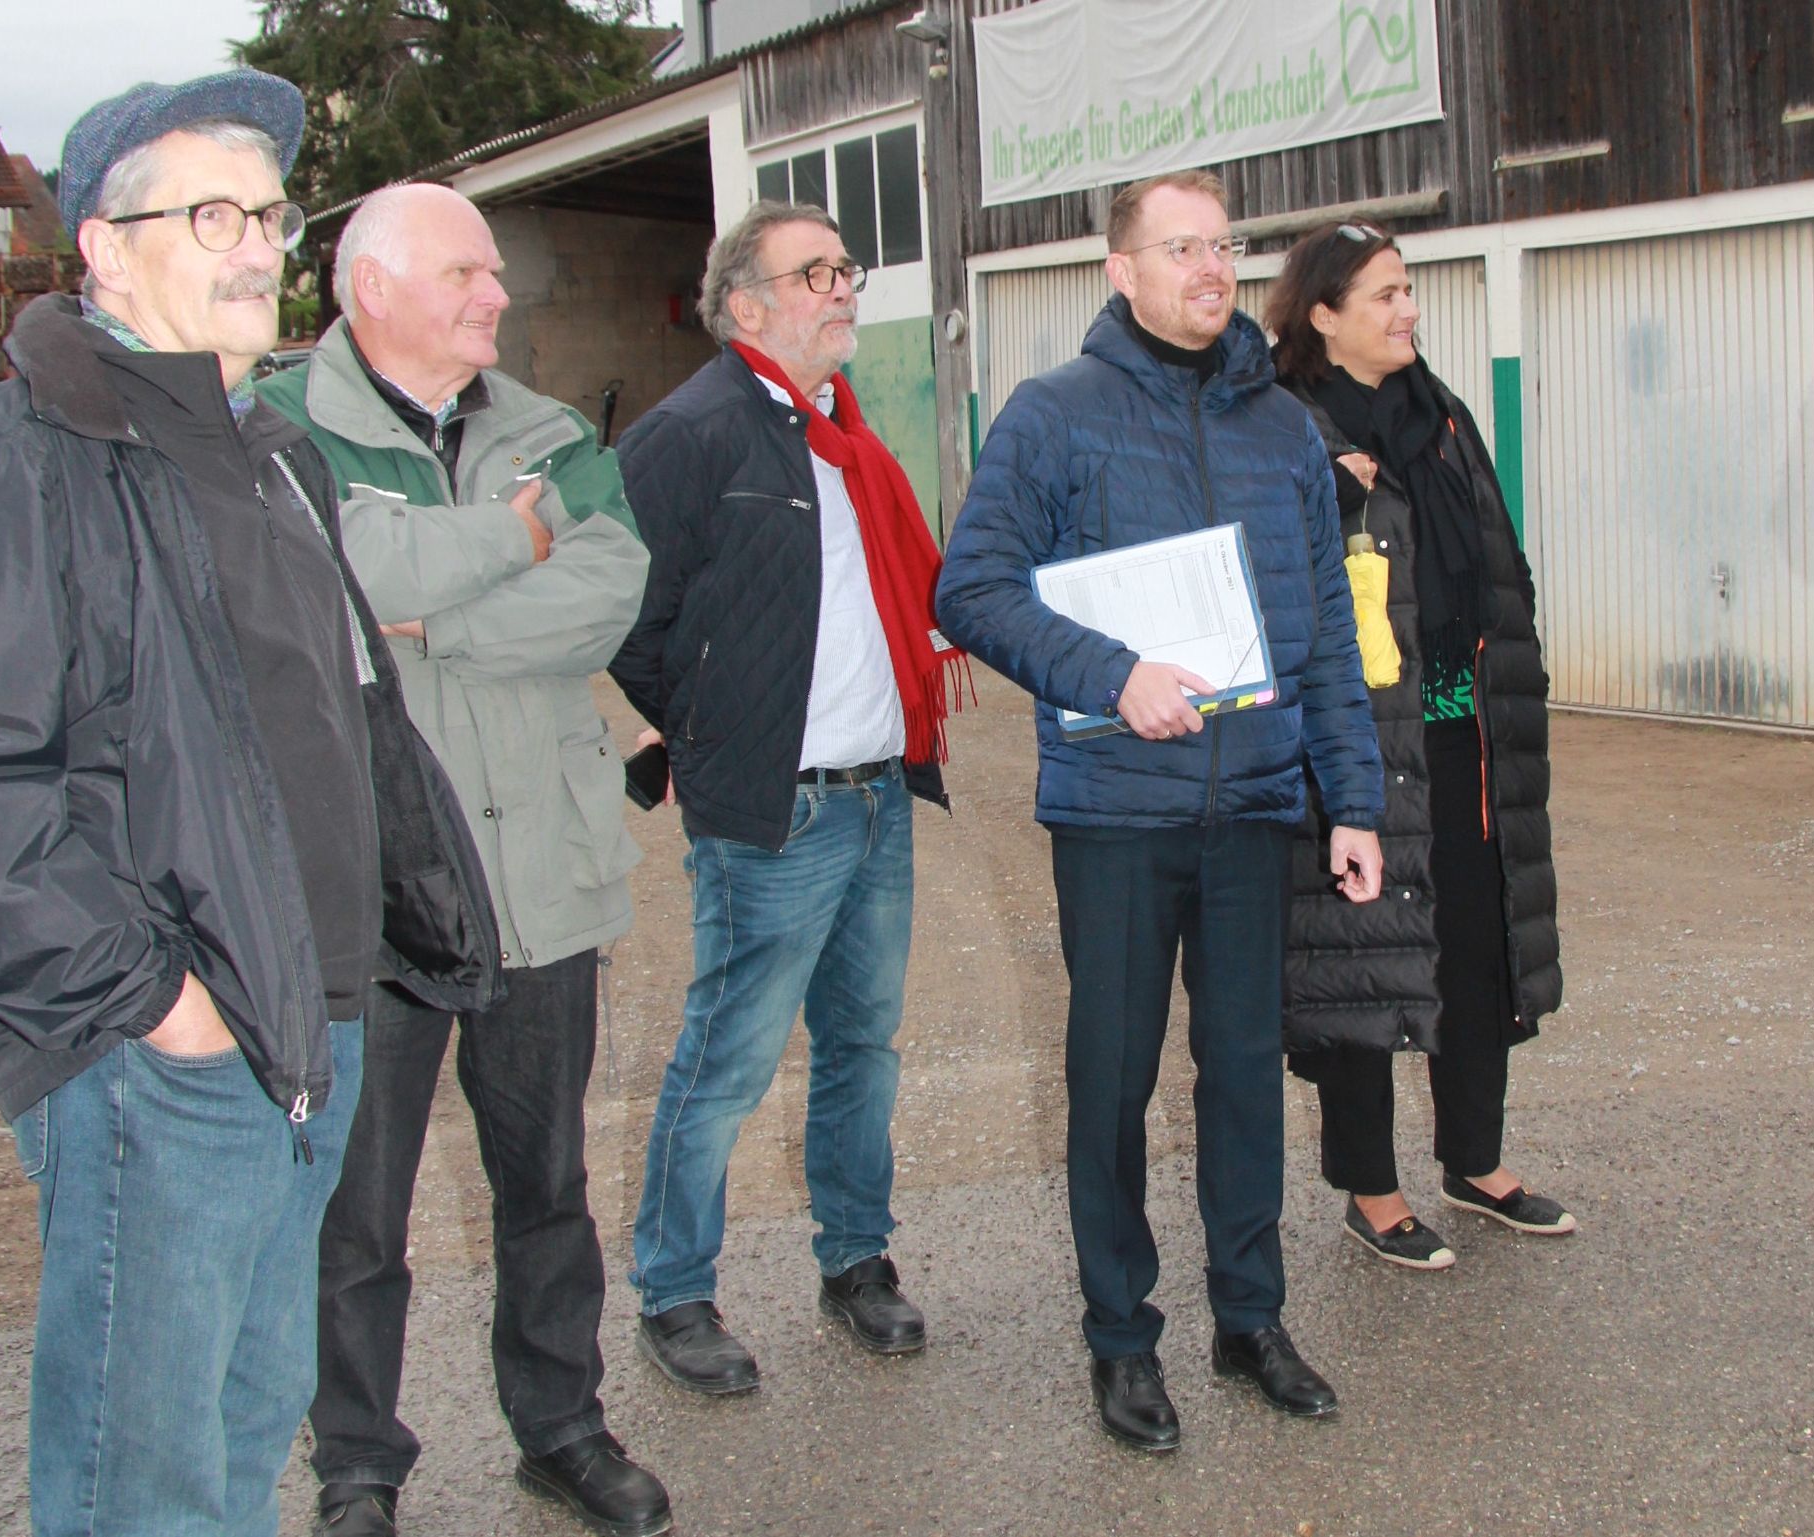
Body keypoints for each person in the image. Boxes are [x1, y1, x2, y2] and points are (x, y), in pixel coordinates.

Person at [0, 71, 498, 1536]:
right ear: (103, 247)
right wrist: (153, 1006)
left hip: (315, 1019)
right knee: (141, 1479)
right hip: (167, 1050)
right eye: (211, 215)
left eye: (269, 215)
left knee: (248, 1429)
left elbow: (345, 718)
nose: (260, 246)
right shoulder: (23, 459)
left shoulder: (272, 452)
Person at [936, 170, 1387, 1453]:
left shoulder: (1283, 429)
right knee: (1112, 1077)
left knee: (1243, 1073)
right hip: (1117, 815)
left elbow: (1324, 634)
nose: (1207, 267)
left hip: (1253, 806)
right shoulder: (1053, 415)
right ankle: (1121, 1335)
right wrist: (1109, 674)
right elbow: (970, 588)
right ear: (1119, 270)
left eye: (1221, 245)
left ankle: (1250, 1318)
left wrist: (1350, 799)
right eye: (1177, 246)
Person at [256, 184, 667, 1537]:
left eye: (494, 271)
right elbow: (329, 578)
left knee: (545, 1185)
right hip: (370, 893)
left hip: (538, 873)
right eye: (465, 274)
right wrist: (513, 538)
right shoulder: (278, 428)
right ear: (371, 285)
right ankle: (358, 1463)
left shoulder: (551, 430)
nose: (497, 293)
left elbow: (608, 593)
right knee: (357, 1211)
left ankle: (562, 1428)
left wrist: (434, 626)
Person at [608, 201, 957, 1394]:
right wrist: (708, 736)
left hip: (877, 798)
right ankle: (673, 1291)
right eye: (814, 272)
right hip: (774, 812)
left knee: (862, 1045)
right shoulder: (688, 433)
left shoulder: (843, 433)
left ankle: (855, 1258)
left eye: (845, 267)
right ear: (744, 305)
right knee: (727, 1061)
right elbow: (625, 618)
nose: (843, 285)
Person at [1262, 222, 1571, 1274]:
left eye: (1408, 290)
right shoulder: (1283, 425)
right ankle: (1372, 1188)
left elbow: (1497, 558)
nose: (1409, 310)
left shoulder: (1439, 414)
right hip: (1353, 739)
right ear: (1322, 315)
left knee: (1477, 945)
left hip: (1464, 727)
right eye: (1384, 295)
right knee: (1360, 958)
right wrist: (1327, 491)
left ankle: (1474, 1160)